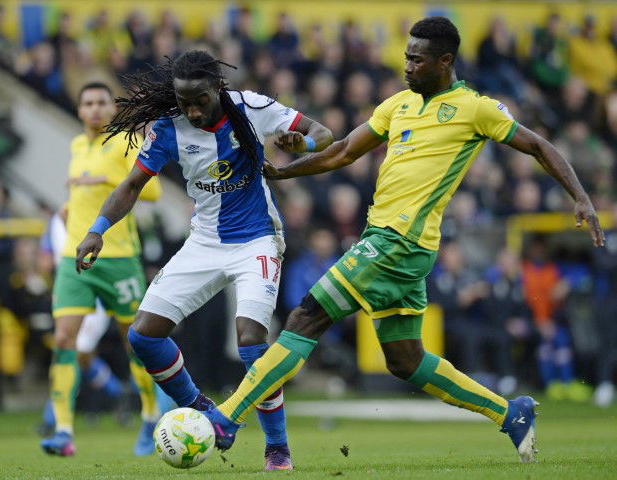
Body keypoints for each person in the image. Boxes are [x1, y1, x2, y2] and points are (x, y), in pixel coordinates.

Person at [198, 17, 604, 464]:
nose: (406, 65)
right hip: (391, 242)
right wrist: (284, 170)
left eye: (416, 58)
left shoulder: (476, 108)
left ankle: (227, 417)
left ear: (444, 61)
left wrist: (581, 198)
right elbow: (345, 150)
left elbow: (539, 146)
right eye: (406, 55)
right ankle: (511, 413)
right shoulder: (398, 105)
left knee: (305, 317)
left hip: (400, 243)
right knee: (405, 361)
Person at [74, 50, 333, 470]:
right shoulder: (169, 128)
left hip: (258, 242)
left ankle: (277, 448)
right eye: (183, 101)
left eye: (199, 100)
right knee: (142, 336)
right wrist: (97, 229)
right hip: (205, 243)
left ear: (218, 88)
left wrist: (299, 143)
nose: (191, 111)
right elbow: (132, 184)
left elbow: (323, 134)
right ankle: (201, 408)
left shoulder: (252, 107)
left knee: (251, 341)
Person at [40, 82, 162, 457]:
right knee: (63, 339)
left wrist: (103, 181)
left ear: (112, 109)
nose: (94, 109)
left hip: (118, 258)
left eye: (101, 103)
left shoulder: (125, 143)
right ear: (79, 111)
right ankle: (63, 430)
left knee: (136, 342)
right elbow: (82, 193)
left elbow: (152, 192)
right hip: (73, 260)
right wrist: (69, 206)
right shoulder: (78, 146)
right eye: (87, 103)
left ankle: (150, 415)